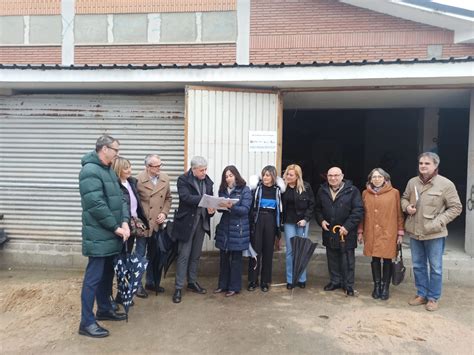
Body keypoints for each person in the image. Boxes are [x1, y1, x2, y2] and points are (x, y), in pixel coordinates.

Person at [78, 135, 129, 338]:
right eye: (115, 149)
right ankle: (86, 322)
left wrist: (124, 221)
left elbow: (121, 198)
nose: (118, 153)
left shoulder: (108, 170)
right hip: (99, 235)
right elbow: (96, 205)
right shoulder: (90, 171)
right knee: (93, 278)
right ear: (104, 149)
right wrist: (116, 227)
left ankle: (105, 309)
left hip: (112, 233)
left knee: (107, 275)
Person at [401, 152, 462, 311]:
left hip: (434, 233)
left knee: (435, 267)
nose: (423, 166)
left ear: (435, 165)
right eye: (421, 163)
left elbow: (456, 208)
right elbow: (404, 198)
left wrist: (437, 223)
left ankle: (433, 298)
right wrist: (406, 207)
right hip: (415, 232)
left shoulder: (446, 184)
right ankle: (422, 294)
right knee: (418, 265)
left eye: (427, 163)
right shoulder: (412, 182)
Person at [171, 156, 215, 303]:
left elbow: (211, 200)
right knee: (183, 255)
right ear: (194, 169)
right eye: (202, 170)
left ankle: (192, 282)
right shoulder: (183, 180)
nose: (204, 172)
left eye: (205, 169)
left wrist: (211, 209)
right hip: (187, 223)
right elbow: (186, 198)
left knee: (196, 255)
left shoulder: (208, 181)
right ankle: (178, 287)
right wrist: (204, 199)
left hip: (202, 222)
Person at [315, 167, 364, 296]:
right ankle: (335, 281)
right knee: (332, 257)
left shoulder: (353, 191)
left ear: (342, 176)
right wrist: (321, 221)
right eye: (330, 175)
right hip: (329, 230)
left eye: (336, 175)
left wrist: (347, 226)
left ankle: (348, 285)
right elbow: (318, 209)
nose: (333, 178)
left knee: (347, 259)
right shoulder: (322, 190)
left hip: (346, 232)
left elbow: (358, 211)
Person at [357, 168, 404, 301]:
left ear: (385, 179)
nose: (376, 179)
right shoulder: (365, 193)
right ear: (370, 179)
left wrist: (400, 232)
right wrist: (360, 231)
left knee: (387, 259)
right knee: (375, 259)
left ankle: (385, 287)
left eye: (379, 177)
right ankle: (377, 286)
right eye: (374, 177)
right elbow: (362, 214)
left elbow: (399, 213)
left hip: (388, 231)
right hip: (371, 230)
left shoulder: (394, 193)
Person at [112, 157, 149, 304]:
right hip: (124, 226)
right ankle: (122, 293)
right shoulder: (115, 185)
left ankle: (135, 287)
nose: (129, 170)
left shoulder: (132, 182)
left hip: (136, 223)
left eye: (130, 167)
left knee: (138, 257)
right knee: (124, 259)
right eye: (126, 168)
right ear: (118, 169)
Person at [136, 154, 172, 296]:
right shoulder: (138, 180)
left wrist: (164, 213)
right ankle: (137, 285)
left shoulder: (165, 178)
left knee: (154, 255)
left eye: (160, 165)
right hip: (143, 225)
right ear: (148, 167)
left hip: (157, 225)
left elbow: (168, 198)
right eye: (156, 166)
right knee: (140, 255)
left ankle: (151, 282)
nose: (159, 168)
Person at [214, 166, 252, 297]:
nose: (228, 178)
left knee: (236, 259)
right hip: (225, 228)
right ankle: (222, 285)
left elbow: (245, 210)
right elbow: (220, 209)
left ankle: (234, 287)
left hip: (238, 229)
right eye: (226, 176)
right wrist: (217, 206)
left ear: (236, 175)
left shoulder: (245, 190)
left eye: (230, 175)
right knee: (223, 258)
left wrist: (232, 207)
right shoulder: (223, 190)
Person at [248, 165, 286, 292]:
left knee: (268, 252)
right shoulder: (256, 189)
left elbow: (280, 211)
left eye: (268, 175)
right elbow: (251, 207)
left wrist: (279, 230)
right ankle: (253, 280)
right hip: (258, 221)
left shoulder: (277, 191)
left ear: (273, 177)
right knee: (255, 252)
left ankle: (265, 281)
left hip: (271, 221)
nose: (265, 177)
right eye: (264, 175)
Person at [282, 164, 315, 290]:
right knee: (290, 250)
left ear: (297, 176)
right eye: (287, 174)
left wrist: (306, 219)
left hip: (302, 222)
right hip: (289, 222)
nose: (288, 176)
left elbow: (312, 204)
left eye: (291, 175)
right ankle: (290, 279)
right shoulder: (282, 187)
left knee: (301, 250)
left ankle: (301, 278)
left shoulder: (305, 187)